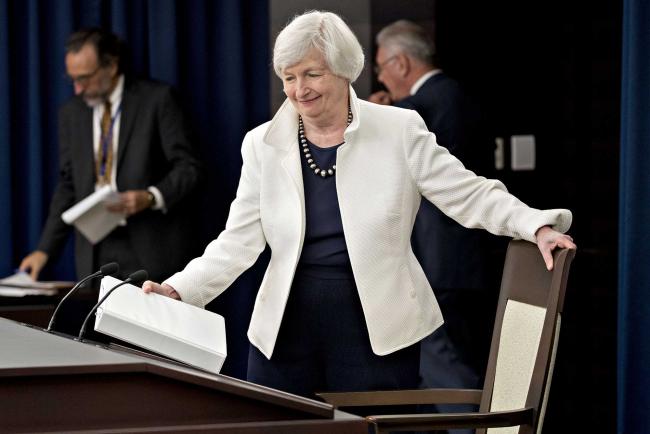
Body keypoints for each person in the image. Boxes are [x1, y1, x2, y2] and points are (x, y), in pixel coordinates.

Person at [143, 11, 575, 401]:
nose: (298, 89)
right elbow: (237, 241)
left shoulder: (399, 129)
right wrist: (180, 289)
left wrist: (535, 225)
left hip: (377, 328)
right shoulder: (262, 143)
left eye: (311, 74)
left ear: (345, 71)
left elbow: (468, 192)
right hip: (284, 329)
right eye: (288, 77)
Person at [19, 28, 202, 331]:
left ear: (112, 65)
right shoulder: (72, 113)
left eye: (86, 78)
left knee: (150, 348)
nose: (78, 88)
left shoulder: (156, 100)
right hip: (96, 255)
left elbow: (190, 168)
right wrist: (44, 250)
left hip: (150, 249)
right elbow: (68, 185)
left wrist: (151, 196)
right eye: (73, 79)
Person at [369, 19, 497, 429]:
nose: (381, 78)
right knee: (434, 366)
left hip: (443, 262)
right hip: (452, 261)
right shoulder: (451, 97)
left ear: (400, 63)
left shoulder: (429, 104)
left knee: (447, 366)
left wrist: (383, 113)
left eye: (380, 68)